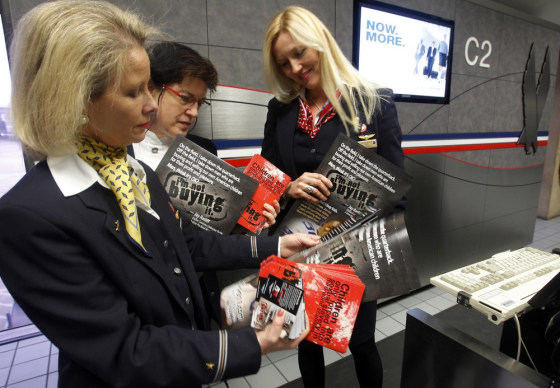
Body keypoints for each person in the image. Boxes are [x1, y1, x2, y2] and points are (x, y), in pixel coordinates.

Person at [0, 1, 319, 386]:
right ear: (76, 100)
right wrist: (252, 344)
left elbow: (188, 246)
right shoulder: (29, 217)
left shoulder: (132, 171)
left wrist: (274, 249)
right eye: (135, 92)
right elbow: (125, 349)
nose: (152, 105)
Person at [261, 6, 406, 387]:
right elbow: (266, 181)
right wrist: (288, 187)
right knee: (307, 339)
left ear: (320, 42)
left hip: (354, 251)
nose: (294, 67)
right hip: (301, 244)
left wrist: (383, 250)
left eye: (299, 53)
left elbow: (396, 186)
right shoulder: (281, 111)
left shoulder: (375, 103)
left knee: (361, 342)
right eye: (284, 62)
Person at [132, 41, 280, 326]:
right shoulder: (120, 155)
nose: (194, 112)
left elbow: (215, 236)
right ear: (152, 88)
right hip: (147, 307)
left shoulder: (204, 151)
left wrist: (251, 223)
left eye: (200, 103)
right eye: (185, 98)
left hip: (198, 295)